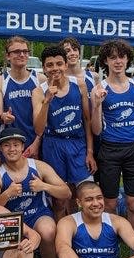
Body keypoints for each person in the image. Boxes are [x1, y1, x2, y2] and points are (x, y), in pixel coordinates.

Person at [0, 127, 71, 258]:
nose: (12, 149)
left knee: (48, 230)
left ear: (22, 147)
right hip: (12, 221)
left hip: (37, 214)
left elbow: (66, 192)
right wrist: (6, 194)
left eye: (16, 145)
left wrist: (44, 186)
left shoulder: (38, 166)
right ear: (1, 149)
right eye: (7, 146)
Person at [91, 39, 134, 231]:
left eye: (122, 57)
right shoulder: (100, 89)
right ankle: (111, 241)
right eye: (113, 57)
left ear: (127, 60)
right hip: (110, 149)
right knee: (109, 204)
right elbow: (96, 130)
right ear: (106, 61)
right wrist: (97, 105)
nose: (118, 61)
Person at [33, 45, 94, 220]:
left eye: (59, 63)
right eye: (50, 65)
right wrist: (46, 102)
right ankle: (62, 237)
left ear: (66, 65)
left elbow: (87, 120)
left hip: (77, 143)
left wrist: (90, 151)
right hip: (54, 145)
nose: (55, 68)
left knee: (84, 193)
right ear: (44, 68)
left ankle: (83, 234)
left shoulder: (79, 85)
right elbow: (38, 129)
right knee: (59, 199)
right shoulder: (38, 91)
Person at [0, 35, 44, 157]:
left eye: (25, 51)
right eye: (16, 51)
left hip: (35, 140)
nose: (22, 55)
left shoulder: (40, 79)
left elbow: (46, 119)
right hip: (12, 142)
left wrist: (37, 143)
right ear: (7, 56)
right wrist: (4, 116)